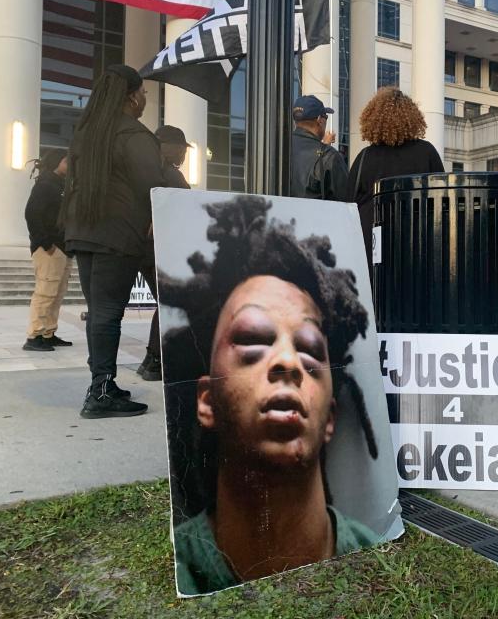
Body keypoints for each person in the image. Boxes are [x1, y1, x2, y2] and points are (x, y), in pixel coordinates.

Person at [158, 196, 382, 595]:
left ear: (330, 419)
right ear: (206, 401)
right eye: (252, 340)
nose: (287, 362)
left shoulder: (372, 552)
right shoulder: (181, 565)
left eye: (311, 349)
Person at [63, 64, 164, 419]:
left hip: (84, 232)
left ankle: (101, 382)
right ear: (132, 96)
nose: (145, 99)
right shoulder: (133, 135)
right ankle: (101, 390)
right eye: (144, 93)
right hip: (116, 234)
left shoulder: (88, 134)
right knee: (107, 314)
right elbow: (154, 186)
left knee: (99, 313)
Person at [347, 88, 444, 257]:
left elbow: (349, 201)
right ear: (412, 118)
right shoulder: (427, 152)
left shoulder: (365, 157)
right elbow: (442, 198)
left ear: (372, 118)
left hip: (373, 242)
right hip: (416, 243)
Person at [136, 125, 191, 382]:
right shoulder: (171, 176)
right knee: (169, 302)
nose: (184, 154)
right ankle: (156, 360)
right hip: (161, 249)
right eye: (183, 149)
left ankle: (151, 359)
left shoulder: (146, 171)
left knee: (165, 302)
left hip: (142, 248)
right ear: (173, 148)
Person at [23, 149, 73, 352]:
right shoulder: (45, 185)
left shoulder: (61, 185)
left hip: (63, 248)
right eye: (67, 161)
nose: (71, 165)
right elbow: (32, 215)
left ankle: (48, 333)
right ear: (56, 162)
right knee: (45, 292)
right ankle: (34, 336)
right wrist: (46, 243)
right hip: (50, 249)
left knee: (56, 293)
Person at [288, 95, 348, 200]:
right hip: (313, 215)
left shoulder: (279, 149)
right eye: (326, 117)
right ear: (320, 120)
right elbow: (346, 202)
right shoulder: (330, 156)